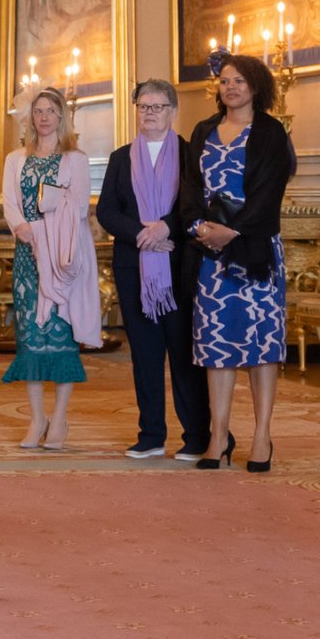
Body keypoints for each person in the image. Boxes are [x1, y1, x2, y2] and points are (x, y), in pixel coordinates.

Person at [180, 54, 292, 473]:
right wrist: (197, 227)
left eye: (239, 81)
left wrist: (235, 231)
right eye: (225, 81)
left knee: (262, 344)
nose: (231, 88)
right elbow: (190, 185)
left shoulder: (270, 132)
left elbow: (269, 193)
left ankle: (262, 435)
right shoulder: (204, 130)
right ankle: (218, 435)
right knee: (216, 345)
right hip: (211, 255)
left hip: (256, 250)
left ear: (256, 86)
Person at [96, 80, 211, 460]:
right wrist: (142, 233)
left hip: (179, 267)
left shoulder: (191, 155)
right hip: (134, 267)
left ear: (173, 111)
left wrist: (166, 227)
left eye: (157, 107)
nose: (149, 113)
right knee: (144, 354)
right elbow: (107, 211)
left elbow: (198, 205)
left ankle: (196, 436)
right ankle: (151, 435)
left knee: (183, 354)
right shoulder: (120, 158)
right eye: (143, 106)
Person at [2, 87, 101, 450]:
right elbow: (10, 204)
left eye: (50, 111)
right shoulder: (15, 159)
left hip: (61, 256)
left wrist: (45, 224)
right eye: (38, 111)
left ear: (61, 116)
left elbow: (77, 209)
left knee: (60, 334)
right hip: (27, 255)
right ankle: (36, 418)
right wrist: (24, 227)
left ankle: (59, 418)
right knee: (30, 336)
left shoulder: (75, 158)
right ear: (30, 118)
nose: (43, 117)